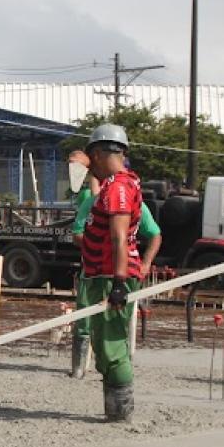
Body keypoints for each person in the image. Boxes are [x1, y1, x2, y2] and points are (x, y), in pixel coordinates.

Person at [68, 150, 163, 379]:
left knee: (112, 340)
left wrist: (144, 264)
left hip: (112, 274)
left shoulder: (123, 192)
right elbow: (78, 233)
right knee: (92, 328)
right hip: (93, 273)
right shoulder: (92, 201)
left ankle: (119, 393)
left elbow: (140, 236)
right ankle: (85, 370)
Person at [79, 124, 143, 422]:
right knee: (105, 342)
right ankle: (115, 409)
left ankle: (119, 412)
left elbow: (118, 237)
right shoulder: (117, 185)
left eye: (92, 158)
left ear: (100, 153)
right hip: (103, 274)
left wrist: (118, 283)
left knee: (111, 344)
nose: (90, 165)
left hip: (109, 275)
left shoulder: (118, 187)